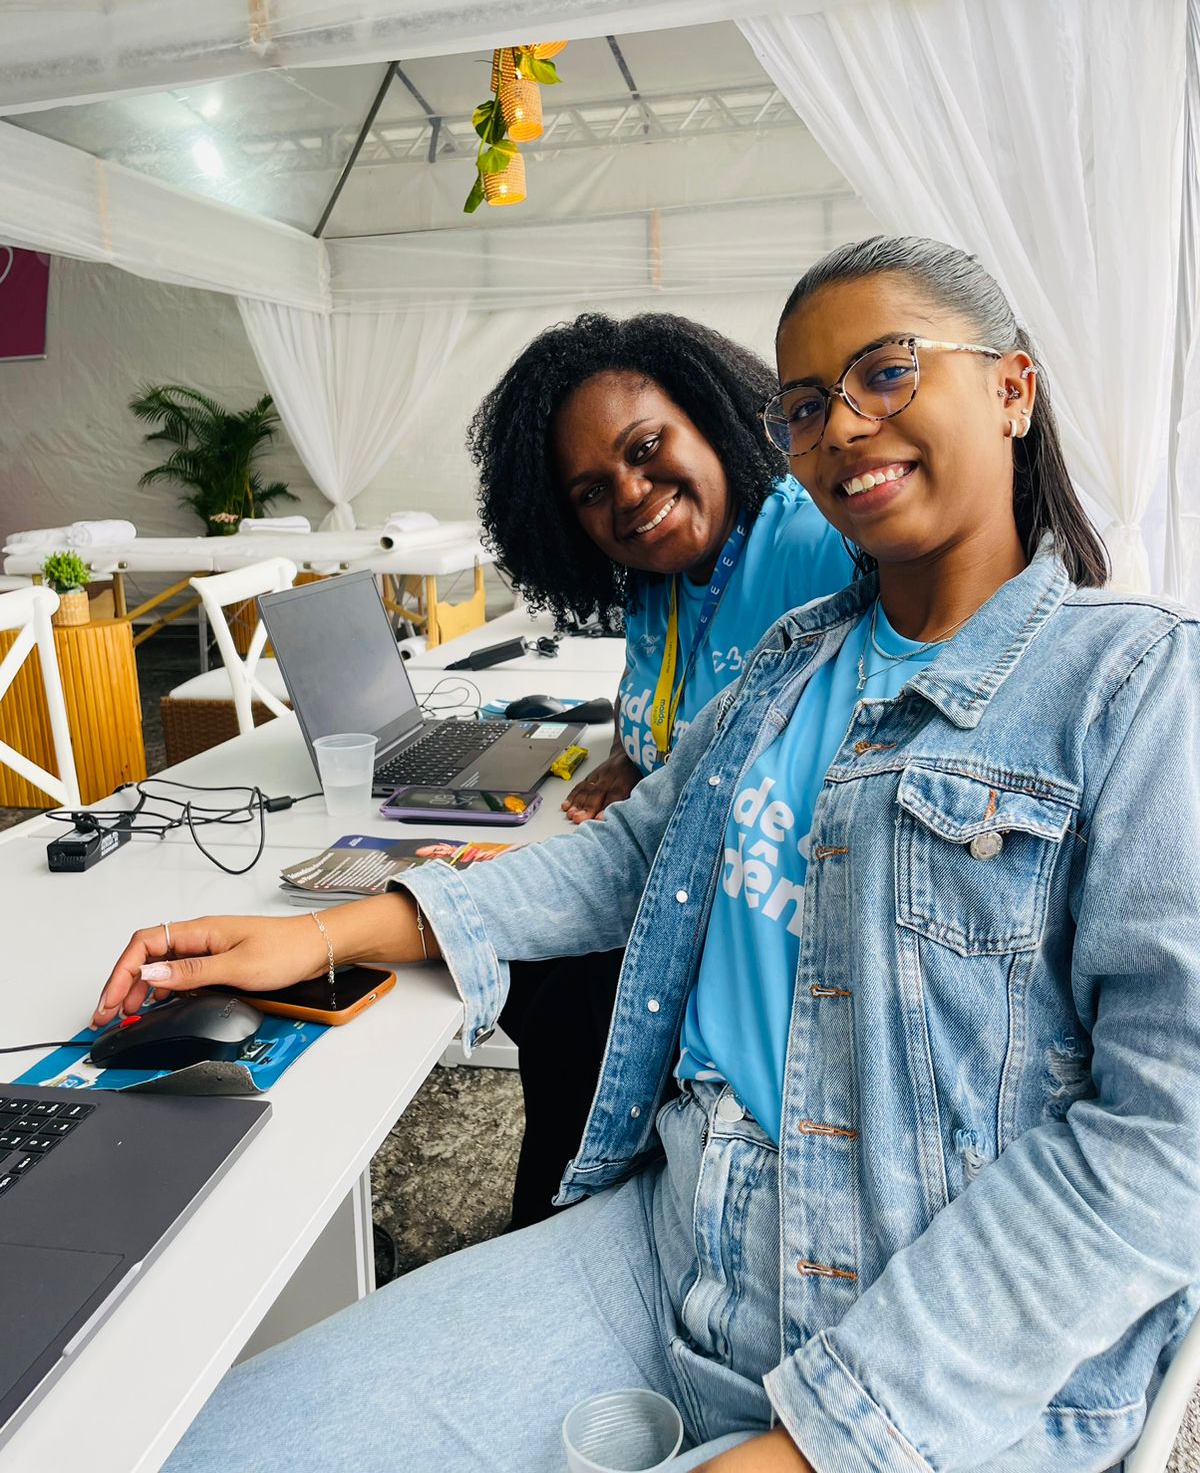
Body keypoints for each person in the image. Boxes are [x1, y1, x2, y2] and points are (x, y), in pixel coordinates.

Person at [97, 236, 1200, 1473]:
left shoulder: (1134, 685)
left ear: (1012, 387)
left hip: (930, 1345)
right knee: (199, 1448)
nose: (844, 425)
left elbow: (1168, 1138)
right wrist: (326, 931)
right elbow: (635, 850)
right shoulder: (795, 658)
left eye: (887, 372)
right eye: (804, 405)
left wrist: (822, 1443)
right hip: (675, 1244)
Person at [469, 312, 851, 1226]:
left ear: (711, 420)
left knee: (563, 1011)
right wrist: (628, 751)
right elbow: (665, 693)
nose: (632, 496)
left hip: (766, 919)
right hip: (669, 876)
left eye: (646, 449)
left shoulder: (810, 541)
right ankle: (601, 1200)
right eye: (591, 492)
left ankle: (565, 1232)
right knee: (529, 974)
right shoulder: (656, 575)